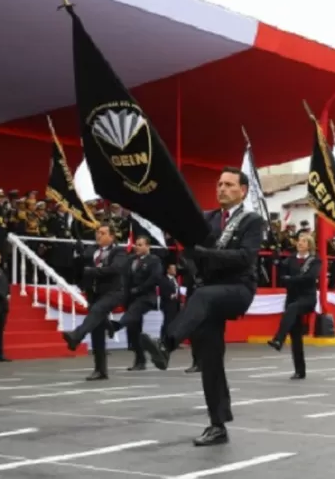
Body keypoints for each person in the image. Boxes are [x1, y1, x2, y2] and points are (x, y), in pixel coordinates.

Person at [139, 167, 265, 446]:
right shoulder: (207, 219)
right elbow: (187, 244)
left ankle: (166, 345)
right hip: (208, 293)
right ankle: (217, 425)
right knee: (210, 358)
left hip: (238, 289)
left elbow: (245, 257)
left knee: (203, 296)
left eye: (229, 184)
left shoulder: (252, 221)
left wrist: (205, 254)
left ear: (242, 190)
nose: (221, 188)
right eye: (219, 184)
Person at [62, 223, 127, 380]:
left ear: (111, 236)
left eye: (103, 233)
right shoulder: (92, 250)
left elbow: (115, 269)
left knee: (97, 311)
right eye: (97, 232)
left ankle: (77, 335)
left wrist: (93, 271)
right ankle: (100, 370)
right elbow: (80, 269)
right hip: (95, 293)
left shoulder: (118, 251)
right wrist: (78, 255)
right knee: (97, 330)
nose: (98, 235)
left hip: (113, 292)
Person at [266, 233, 320, 379]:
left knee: (292, 308)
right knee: (296, 336)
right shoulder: (290, 259)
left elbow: (310, 278)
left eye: (304, 241)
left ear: (309, 245)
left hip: (307, 298)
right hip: (292, 298)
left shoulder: (314, 260)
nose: (300, 243)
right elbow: (281, 275)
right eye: (299, 241)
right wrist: (276, 259)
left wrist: (291, 279)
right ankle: (299, 370)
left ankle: (278, 339)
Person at [110, 235, 162, 371]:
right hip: (131, 297)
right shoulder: (131, 260)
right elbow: (124, 277)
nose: (136, 247)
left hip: (145, 296)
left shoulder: (154, 260)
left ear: (147, 246)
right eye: (136, 244)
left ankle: (118, 325)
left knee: (135, 310)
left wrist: (140, 288)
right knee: (134, 330)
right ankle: (140, 360)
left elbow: (155, 278)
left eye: (140, 245)